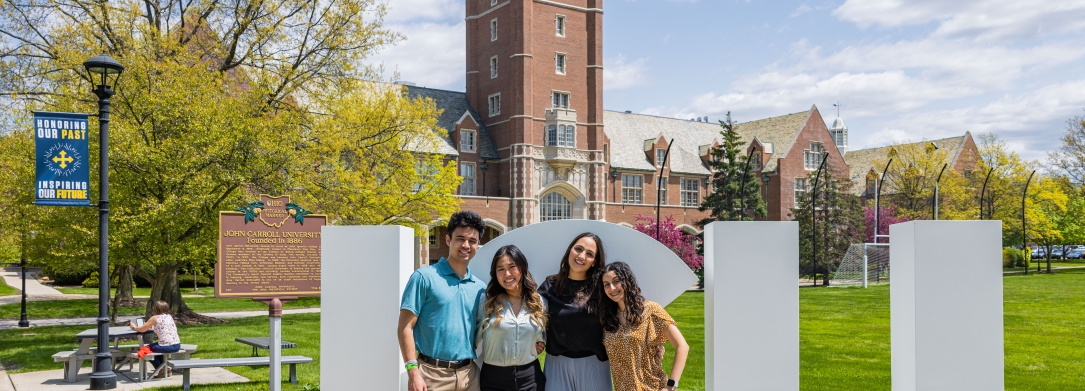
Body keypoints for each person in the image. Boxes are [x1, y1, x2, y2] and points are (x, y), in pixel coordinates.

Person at [399, 211, 488, 391]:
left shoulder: (480, 287)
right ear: (448, 240)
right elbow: (404, 327)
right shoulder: (423, 278)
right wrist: (413, 372)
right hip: (431, 376)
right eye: (460, 239)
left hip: (469, 376)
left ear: (478, 245)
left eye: (472, 241)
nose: (466, 245)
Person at [597, 262, 689, 391]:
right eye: (606, 285)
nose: (612, 288)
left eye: (616, 281)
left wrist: (671, 386)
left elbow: (682, 346)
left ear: (627, 281)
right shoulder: (608, 319)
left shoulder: (650, 310)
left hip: (652, 387)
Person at [538, 232, 611, 391]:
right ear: (570, 250)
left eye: (590, 254)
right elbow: (531, 319)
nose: (582, 256)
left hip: (595, 366)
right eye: (578, 249)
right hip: (557, 365)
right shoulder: (549, 287)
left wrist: (651, 343)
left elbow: (623, 315)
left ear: (594, 262)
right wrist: (536, 340)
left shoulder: (601, 289)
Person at [476, 245, 548, 391]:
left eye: (512, 267)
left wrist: (539, 342)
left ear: (522, 268)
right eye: (500, 269)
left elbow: (543, 336)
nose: (507, 274)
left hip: (530, 378)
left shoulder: (538, 302)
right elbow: (471, 338)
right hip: (493, 380)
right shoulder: (486, 301)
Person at [128, 300, 181, 378]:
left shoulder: (154, 318)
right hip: (176, 345)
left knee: (145, 350)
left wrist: (134, 327)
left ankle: (161, 369)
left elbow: (142, 329)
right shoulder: (169, 317)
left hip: (166, 346)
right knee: (155, 348)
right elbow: (162, 326)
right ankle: (165, 369)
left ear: (156, 308)